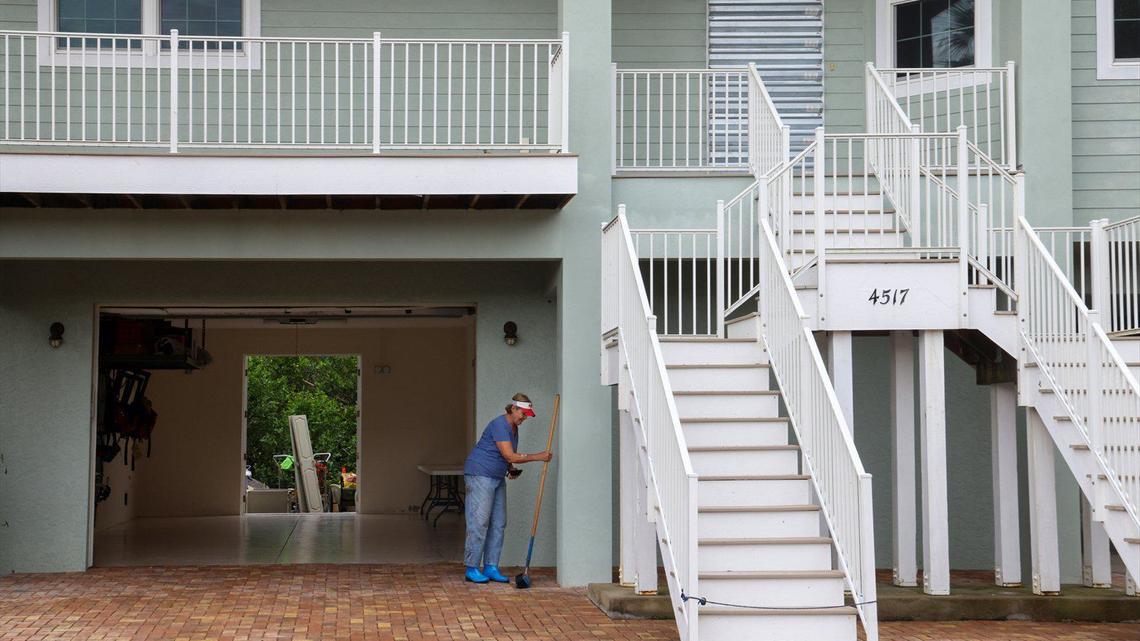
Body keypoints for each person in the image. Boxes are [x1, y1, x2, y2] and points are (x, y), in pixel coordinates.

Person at [462, 393, 553, 583]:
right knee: (479, 522)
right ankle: (472, 568)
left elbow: (507, 458)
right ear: (513, 409)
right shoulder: (499, 425)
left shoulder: (513, 428)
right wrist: (539, 456)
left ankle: (491, 566)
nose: (525, 417)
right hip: (480, 475)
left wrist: (511, 469)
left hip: (496, 476)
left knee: (498, 523)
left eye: (527, 414)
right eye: (523, 413)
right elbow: (510, 455)